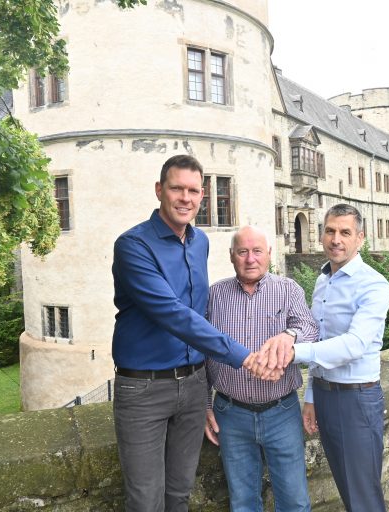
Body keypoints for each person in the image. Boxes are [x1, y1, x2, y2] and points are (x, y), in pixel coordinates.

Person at [111, 154, 259, 512]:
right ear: (160, 190)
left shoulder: (200, 242)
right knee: (146, 501)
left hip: (192, 387)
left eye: (193, 191)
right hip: (144, 389)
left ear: (202, 195)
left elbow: (199, 311)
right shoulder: (133, 245)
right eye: (177, 188)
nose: (185, 198)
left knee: (180, 494)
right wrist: (243, 355)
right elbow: (174, 315)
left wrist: (206, 392)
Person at [263, 203, 389, 512]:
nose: (336, 239)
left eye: (345, 232)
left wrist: (293, 352)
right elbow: (320, 338)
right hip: (326, 394)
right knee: (347, 489)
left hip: (357, 400)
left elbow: (354, 344)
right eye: (330, 231)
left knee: (363, 497)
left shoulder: (374, 284)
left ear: (360, 238)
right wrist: (311, 395)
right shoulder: (323, 280)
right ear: (322, 235)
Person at [204, 226, 318, 512]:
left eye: (257, 251)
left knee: (295, 501)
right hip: (231, 414)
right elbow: (200, 350)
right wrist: (204, 403)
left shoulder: (287, 289)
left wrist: (289, 336)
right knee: (242, 503)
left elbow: (310, 328)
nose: (250, 258)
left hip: (282, 412)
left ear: (269, 254)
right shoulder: (214, 295)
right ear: (232, 256)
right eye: (242, 251)